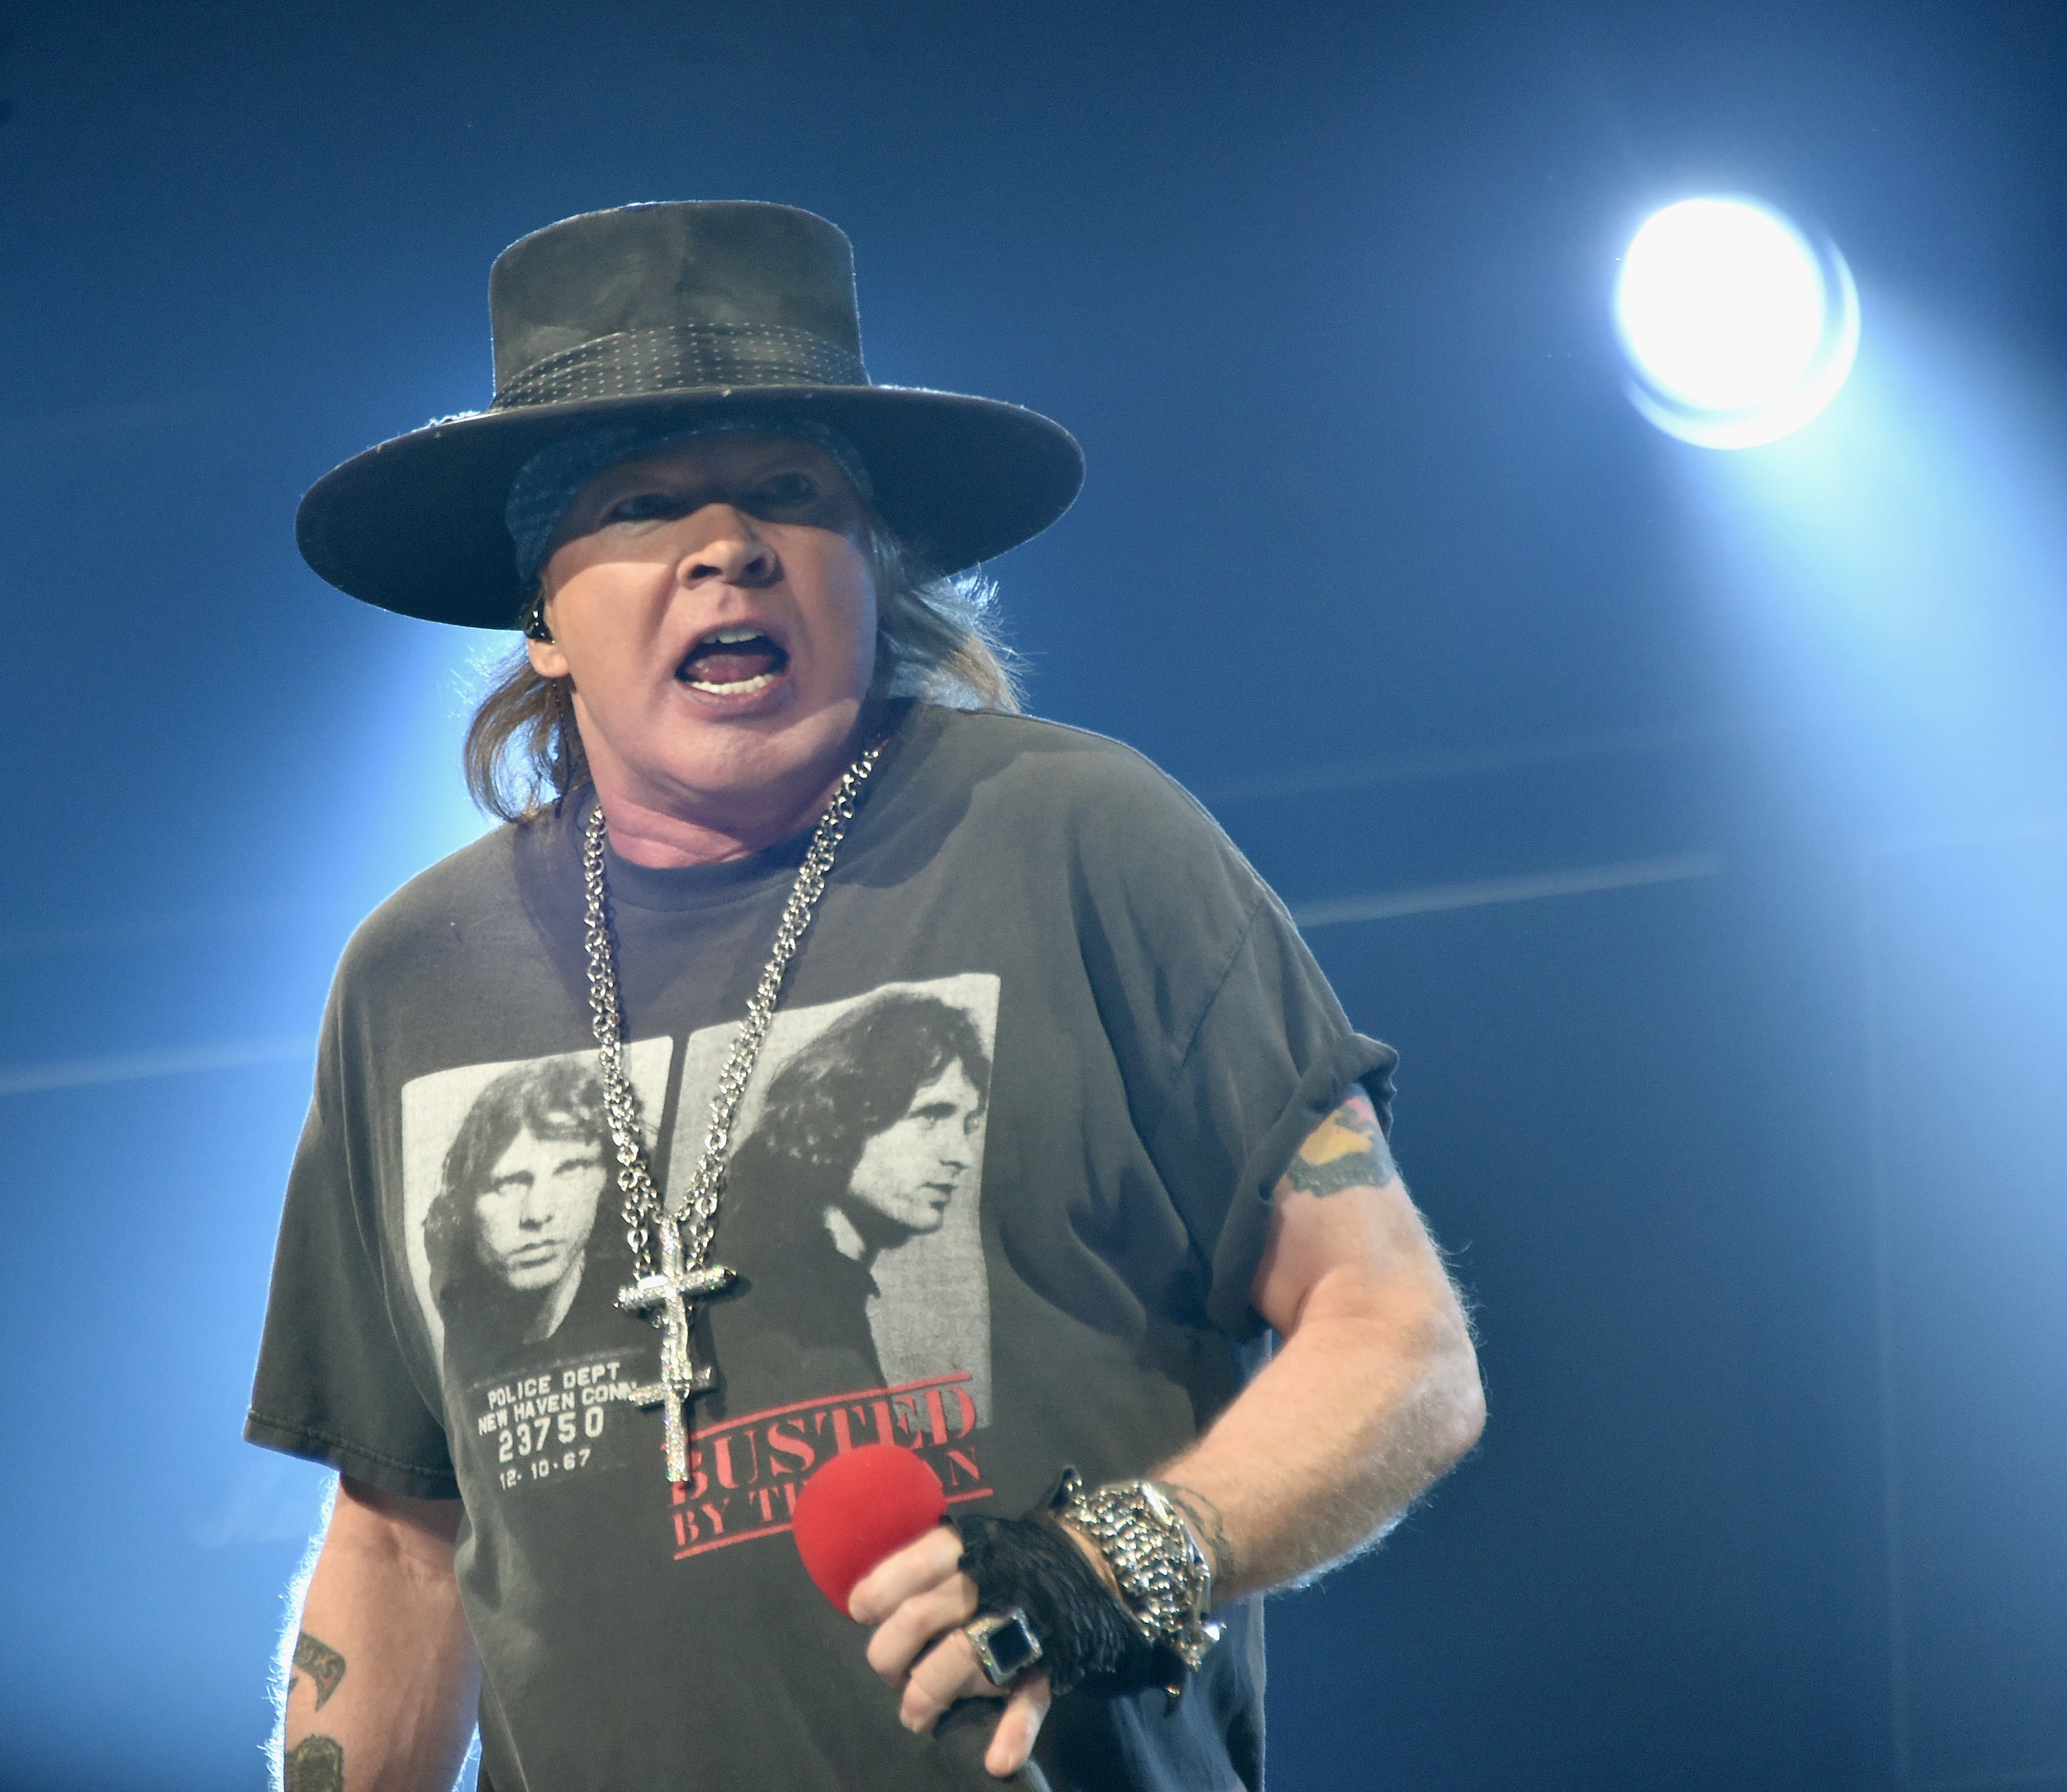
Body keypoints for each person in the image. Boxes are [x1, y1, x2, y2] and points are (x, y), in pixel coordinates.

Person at [249, 201, 1485, 1792]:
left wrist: (1127, 1551)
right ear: (541, 614)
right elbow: (404, 1542)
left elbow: (1392, 1335)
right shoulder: (413, 975)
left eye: (787, 491)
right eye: (640, 504)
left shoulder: (1076, 837)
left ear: (873, 565)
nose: (726, 545)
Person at [708, 990, 994, 1412]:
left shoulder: (827, 1278)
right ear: (846, 1113)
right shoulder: (781, 1309)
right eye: (931, 1117)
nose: (961, 1155)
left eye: (967, 1125)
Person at [421, 1056, 624, 1357]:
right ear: (463, 1207)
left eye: (571, 1171)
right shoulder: (453, 1327)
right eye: (507, 1184)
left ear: (606, 1182)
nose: (537, 1214)